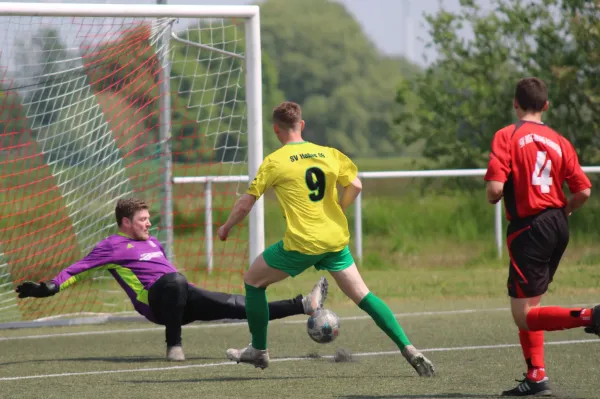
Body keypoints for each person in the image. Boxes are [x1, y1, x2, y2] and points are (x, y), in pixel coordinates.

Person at [217, 101, 435, 377]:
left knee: (253, 281)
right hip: (334, 240)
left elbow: (246, 204)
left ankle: (259, 350)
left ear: (276, 130)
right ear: (302, 125)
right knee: (365, 296)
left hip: (302, 243)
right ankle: (409, 348)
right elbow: (355, 185)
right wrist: (339, 209)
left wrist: (225, 228)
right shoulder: (328, 153)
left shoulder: (274, 161)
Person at [15, 197, 329, 362]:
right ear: (125, 222)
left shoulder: (153, 243)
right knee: (176, 280)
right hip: (154, 303)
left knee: (242, 305)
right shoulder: (110, 245)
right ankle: (173, 346)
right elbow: (77, 269)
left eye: (148, 218)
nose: (148, 223)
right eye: (142, 219)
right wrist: (50, 288)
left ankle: (303, 304)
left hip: (181, 294)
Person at [484, 77, 599, 396]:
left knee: (524, 316)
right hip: (557, 224)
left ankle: (593, 315)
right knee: (532, 302)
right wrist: (564, 212)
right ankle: (536, 375)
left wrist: (494, 196)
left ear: (514, 103)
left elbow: (494, 189)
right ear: (546, 106)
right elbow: (584, 190)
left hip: (529, 228)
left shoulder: (507, 135)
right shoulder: (560, 140)